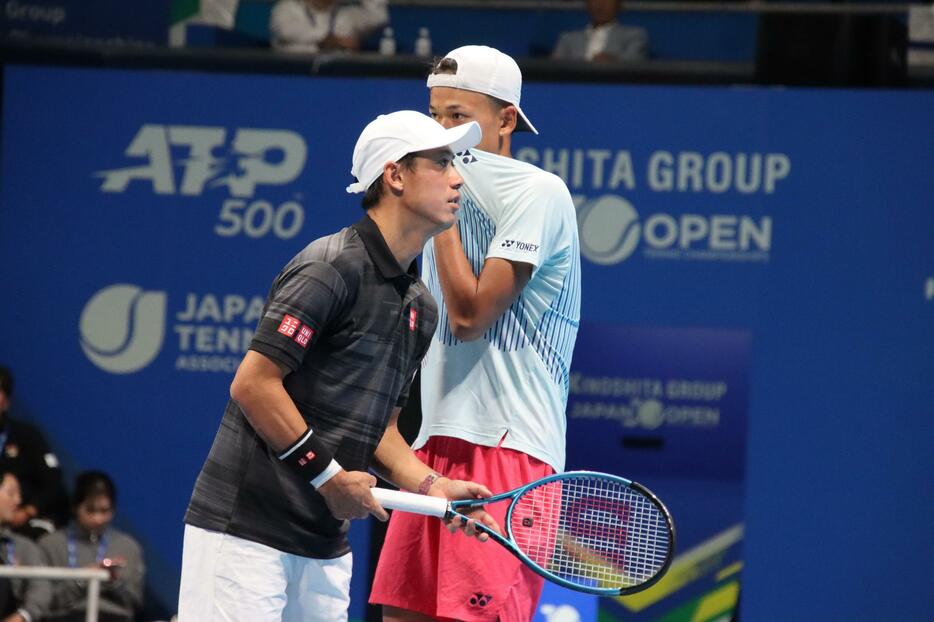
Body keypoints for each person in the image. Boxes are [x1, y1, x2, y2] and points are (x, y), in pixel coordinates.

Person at [178, 110, 500, 622]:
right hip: (244, 531)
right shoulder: (330, 266)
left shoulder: (421, 306)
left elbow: (381, 433)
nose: (458, 177)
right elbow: (255, 385)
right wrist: (329, 479)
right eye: (441, 163)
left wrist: (432, 486)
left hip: (325, 546)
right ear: (394, 176)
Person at [371, 45, 582, 621]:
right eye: (434, 114)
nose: (440, 130)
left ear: (506, 119)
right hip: (432, 450)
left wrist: (443, 210)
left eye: (457, 115)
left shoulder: (538, 193)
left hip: (509, 452)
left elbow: (468, 318)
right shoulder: (444, 192)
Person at [39, 471, 144, 622]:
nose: (98, 518)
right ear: (75, 507)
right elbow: (44, 601)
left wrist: (114, 582)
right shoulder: (50, 544)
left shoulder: (128, 547)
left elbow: (135, 602)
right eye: (90, 510)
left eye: (104, 511)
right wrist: (82, 580)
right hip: (67, 618)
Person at [0, 366, 68, 538]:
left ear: (6, 400)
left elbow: (53, 482)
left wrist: (27, 511)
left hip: (23, 524)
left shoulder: (27, 436)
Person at [0, 470, 51, 622]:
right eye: (11, 493)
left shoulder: (24, 547)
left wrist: (22, 616)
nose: (18, 500)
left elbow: (41, 589)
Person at [270, 0, 388, 53]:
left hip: (339, 79)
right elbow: (286, 31)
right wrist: (333, 41)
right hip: (293, 77)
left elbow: (378, 18)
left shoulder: (348, 15)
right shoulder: (286, 8)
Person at [552, 0, 648, 63]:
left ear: (618, 4)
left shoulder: (635, 36)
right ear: (587, 4)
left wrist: (611, 63)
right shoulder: (568, 39)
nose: (600, 4)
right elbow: (554, 69)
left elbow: (632, 67)